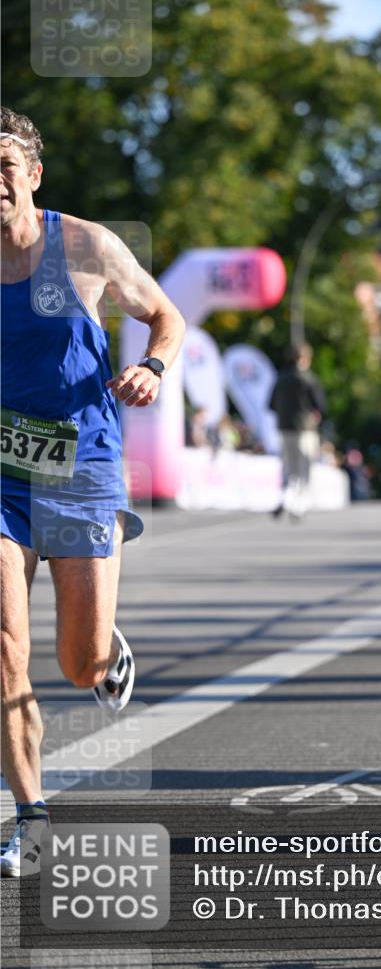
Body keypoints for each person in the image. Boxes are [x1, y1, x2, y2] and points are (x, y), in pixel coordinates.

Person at [0, 108, 185, 877]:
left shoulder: (84, 244)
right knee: (5, 648)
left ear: (32, 175)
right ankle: (30, 816)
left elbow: (166, 316)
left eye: (2, 166)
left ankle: (105, 655)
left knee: (77, 662)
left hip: (80, 469)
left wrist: (153, 367)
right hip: (2, 472)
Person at [269, 343, 326, 520]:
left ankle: (285, 497)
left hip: (284, 428)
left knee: (288, 466)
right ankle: (299, 504)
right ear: (304, 359)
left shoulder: (280, 379)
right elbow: (320, 407)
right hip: (305, 429)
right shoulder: (309, 379)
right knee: (304, 467)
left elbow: (270, 405)